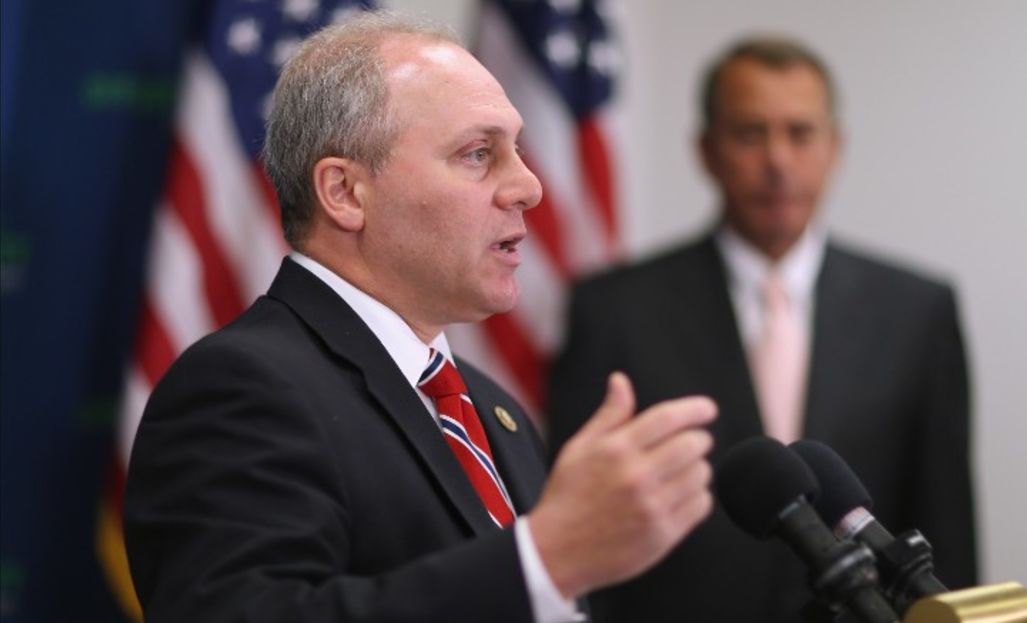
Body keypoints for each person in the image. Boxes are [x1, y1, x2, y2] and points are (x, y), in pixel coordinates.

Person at [123, 11, 719, 623]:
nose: (530, 187)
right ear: (346, 193)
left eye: (516, 150)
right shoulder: (241, 386)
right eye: (478, 153)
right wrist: (545, 560)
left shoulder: (492, 408)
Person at [548, 36, 978, 622]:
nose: (778, 161)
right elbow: (584, 520)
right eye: (750, 134)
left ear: (834, 147)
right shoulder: (613, 309)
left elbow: (946, 528)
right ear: (706, 150)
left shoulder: (917, 310)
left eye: (800, 133)